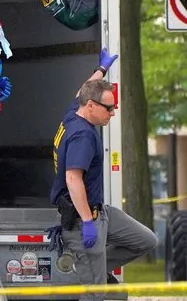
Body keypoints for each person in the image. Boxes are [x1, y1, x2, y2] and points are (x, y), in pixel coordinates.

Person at [49, 48, 158, 300]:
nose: (113, 113)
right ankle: (90, 266)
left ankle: (92, 266)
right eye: (109, 108)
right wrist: (88, 223)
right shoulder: (82, 136)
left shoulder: (73, 114)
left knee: (146, 241)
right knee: (97, 295)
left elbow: (82, 90)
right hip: (81, 221)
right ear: (90, 106)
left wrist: (101, 69)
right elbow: (72, 178)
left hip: (101, 213)